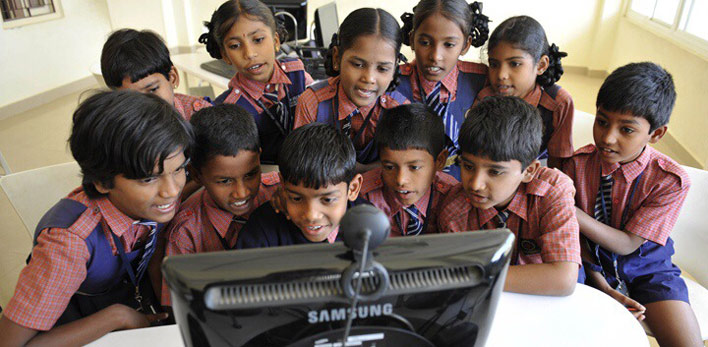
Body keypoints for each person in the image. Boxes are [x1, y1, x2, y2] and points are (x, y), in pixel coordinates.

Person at [0, 91, 192, 346]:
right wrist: (116, 317)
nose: (172, 190)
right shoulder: (69, 244)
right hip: (83, 326)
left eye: (178, 169)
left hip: (132, 303)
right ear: (102, 181)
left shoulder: (154, 200)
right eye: (148, 178)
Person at [562, 62, 702, 346]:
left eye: (626, 130)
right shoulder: (576, 165)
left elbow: (627, 244)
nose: (608, 137)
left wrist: (570, 211)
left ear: (656, 134)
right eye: (602, 121)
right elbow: (574, 239)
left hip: (649, 270)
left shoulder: (669, 180)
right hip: (590, 265)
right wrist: (602, 285)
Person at [438, 96, 580, 296]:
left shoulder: (552, 191)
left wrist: (474, 275)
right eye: (468, 166)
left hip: (545, 302)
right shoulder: (454, 210)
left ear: (529, 171)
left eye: (495, 172)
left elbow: (563, 279)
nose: (475, 184)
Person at [159, 104, 279, 306]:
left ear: (259, 156)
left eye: (251, 175)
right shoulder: (185, 233)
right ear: (196, 175)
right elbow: (178, 307)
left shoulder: (284, 194)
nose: (242, 192)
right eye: (225, 181)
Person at [293, 8, 409, 172]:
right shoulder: (312, 103)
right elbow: (299, 166)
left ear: (395, 67)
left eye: (382, 68)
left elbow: (401, 170)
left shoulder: (399, 111)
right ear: (337, 57)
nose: (369, 78)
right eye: (358, 64)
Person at [201, 0, 314, 164]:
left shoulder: (297, 72)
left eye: (258, 39)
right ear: (225, 55)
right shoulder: (230, 109)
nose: (249, 53)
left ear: (275, 41)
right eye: (235, 45)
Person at [397, 0, 490, 179]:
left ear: (465, 45)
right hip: (406, 186)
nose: (435, 56)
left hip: (463, 186)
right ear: (411, 39)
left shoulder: (480, 81)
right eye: (425, 42)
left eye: (448, 45)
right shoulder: (394, 83)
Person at [236, 123, 367, 249]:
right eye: (296, 198)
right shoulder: (262, 230)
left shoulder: (368, 224)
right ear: (282, 184)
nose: (311, 215)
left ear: (353, 188)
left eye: (327, 200)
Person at [475, 16, 574, 169]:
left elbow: (559, 165)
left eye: (514, 64)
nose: (501, 74)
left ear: (541, 65)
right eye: (494, 64)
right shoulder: (483, 96)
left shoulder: (558, 103)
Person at [360, 104, 458, 236]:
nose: (400, 180)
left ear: (439, 161)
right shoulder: (363, 195)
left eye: (414, 167)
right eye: (389, 167)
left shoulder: (452, 196)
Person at [100, 29, 212, 120]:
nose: (145, 104)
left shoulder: (202, 118)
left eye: (153, 89)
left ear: (172, 78)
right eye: (130, 98)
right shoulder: (115, 130)